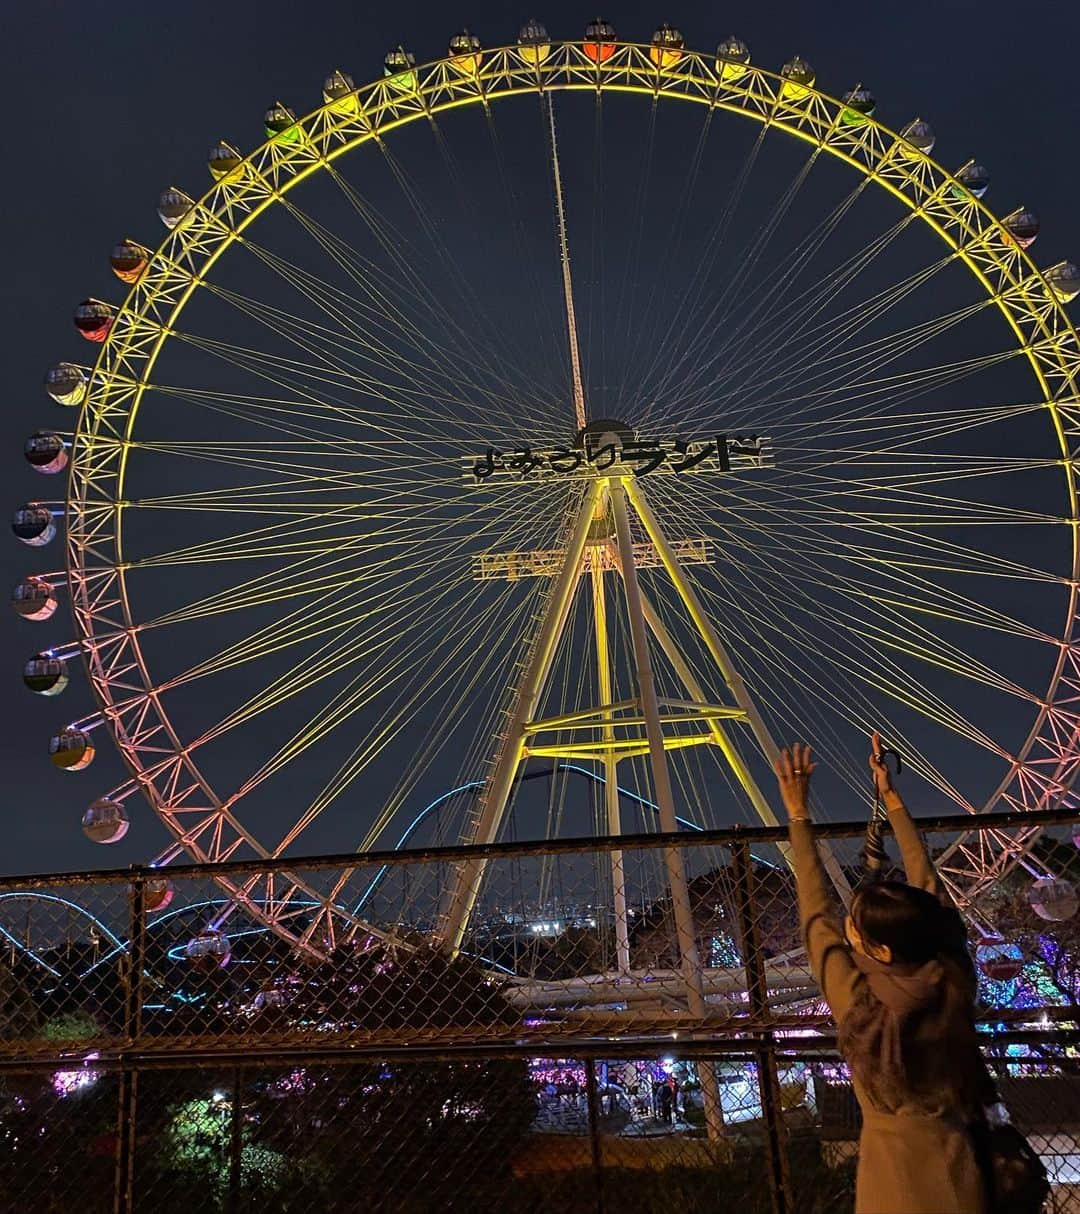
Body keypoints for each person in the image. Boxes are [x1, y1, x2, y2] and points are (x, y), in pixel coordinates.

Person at [773, 734, 996, 1214]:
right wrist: (892, 799)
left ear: (877, 949)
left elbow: (815, 914)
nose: (845, 929)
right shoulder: (952, 978)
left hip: (889, 1186)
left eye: (853, 927)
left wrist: (798, 814)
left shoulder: (864, 1009)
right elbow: (932, 895)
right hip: (966, 1175)